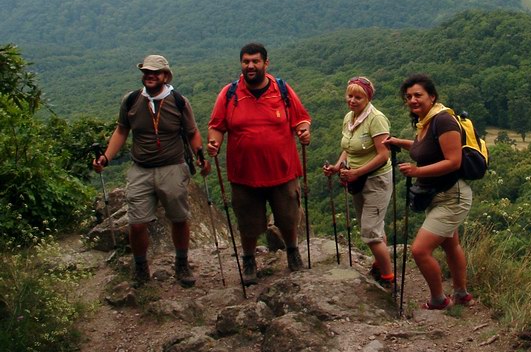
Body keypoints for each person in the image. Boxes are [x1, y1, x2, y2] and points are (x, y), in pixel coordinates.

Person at [93, 55, 209, 288]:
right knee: (137, 223)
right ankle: (141, 267)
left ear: (165, 76)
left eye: (155, 72)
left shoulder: (178, 101)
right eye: (146, 72)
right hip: (141, 169)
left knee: (179, 218)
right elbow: (121, 131)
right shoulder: (132, 100)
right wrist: (106, 157)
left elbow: (192, 132)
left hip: (173, 167)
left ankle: (182, 263)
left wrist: (200, 156)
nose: (150, 76)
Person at [207, 42, 311, 285]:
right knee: (248, 221)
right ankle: (249, 259)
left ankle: (293, 252)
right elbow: (217, 126)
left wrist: (304, 131)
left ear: (266, 63)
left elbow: (301, 119)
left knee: (288, 216)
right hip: (244, 174)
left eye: (255, 61)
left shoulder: (282, 90)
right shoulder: (229, 94)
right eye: (246, 61)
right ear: (241, 64)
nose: (250, 66)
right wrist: (214, 143)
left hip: (283, 171)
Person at [385, 73, 474, 310]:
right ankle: (461, 294)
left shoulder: (443, 121)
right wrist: (401, 143)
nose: (412, 100)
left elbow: (453, 161)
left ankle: (438, 299)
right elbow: (425, 150)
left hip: (451, 196)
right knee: (450, 245)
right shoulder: (426, 122)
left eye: (418, 95)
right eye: (408, 97)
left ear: (432, 96)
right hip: (439, 194)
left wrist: (417, 171)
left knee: (420, 250)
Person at [323, 76, 395, 287]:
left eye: (358, 97)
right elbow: (348, 147)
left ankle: (388, 279)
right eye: (350, 96)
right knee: (375, 227)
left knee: (370, 231)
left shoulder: (376, 119)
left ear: (368, 98)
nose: (352, 100)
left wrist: (358, 172)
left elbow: (384, 155)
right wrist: (338, 166)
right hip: (355, 178)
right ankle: (378, 264)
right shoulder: (349, 117)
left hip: (376, 179)